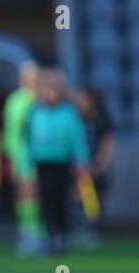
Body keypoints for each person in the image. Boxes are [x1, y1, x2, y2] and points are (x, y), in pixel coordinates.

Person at [19, 68, 90, 255]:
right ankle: (50, 236)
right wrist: (25, 168)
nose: (51, 91)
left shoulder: (69, 113)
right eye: (48, 87)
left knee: (62, 200)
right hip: (42, 165)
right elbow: (27, 142)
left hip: (62, 164)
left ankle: (63, 235)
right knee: (45, 201)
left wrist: (82, 163)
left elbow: (78, 140)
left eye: (55, 87)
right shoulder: (35, 112)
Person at [2, 61, 43, 256]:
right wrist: (11, 154)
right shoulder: (15, 100)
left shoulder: (42, 98)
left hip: (44, 153)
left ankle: (42, 232)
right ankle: (28, 232)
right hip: (22, 154)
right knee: (24, 192)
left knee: (41, 193)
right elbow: (11, 130)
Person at [73, 87, 115, 246]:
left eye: (83, 99)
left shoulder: (101, 118)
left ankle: (91, 231)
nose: (79, 102)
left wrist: (100, 163)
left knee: (95, 200)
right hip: (82, 166)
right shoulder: (77, 118)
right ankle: (82, 229)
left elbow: (108, 142)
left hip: (96, 166)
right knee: (82, 197)